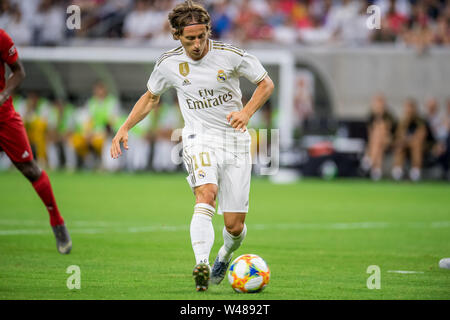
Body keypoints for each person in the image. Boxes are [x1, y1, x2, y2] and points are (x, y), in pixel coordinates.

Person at [110, 0, 274, 292]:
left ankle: (224, 255)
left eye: (202, 36)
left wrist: (246, 113)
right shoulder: (168, 64)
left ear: (208, 31)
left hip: (235, 141)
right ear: (177, 36)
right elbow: (150, 97)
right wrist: (124, 127)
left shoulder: (230, 55)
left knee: (234, 227)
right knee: (206, 194)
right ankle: (202, 264)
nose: (197, 44)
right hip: (198, 137)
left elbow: (265, 84)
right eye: (190, 39)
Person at [0, 29, 71, 254]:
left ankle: (57, 221)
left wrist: (4, 94)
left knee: (30, 169)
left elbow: (19, 72)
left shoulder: (2, 37)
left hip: (4, 117)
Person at [361, 94, 396, 181]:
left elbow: (388, 131)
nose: (379, 105)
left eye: (381, 102)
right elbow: (369, 133)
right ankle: (376, 171)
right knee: (378, 142)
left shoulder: (389, 116)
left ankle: (369, 161)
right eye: (377, 102)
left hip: (388, 141)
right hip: (375, 143)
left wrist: (380, 118)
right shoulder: (371, 116)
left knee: (380, 132)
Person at [391, 98, 427, 181]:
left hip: (420, 145)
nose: (408, 110)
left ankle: (415, 172)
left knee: (416, 144)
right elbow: (399, 135)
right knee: (399, 146)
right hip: (405, 145)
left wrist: (408, 140)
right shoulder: (403, 121)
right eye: (407, 108)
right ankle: (397, 171)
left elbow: (421, 136)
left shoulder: (420, 121)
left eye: (410, 108)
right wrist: (406, 123)